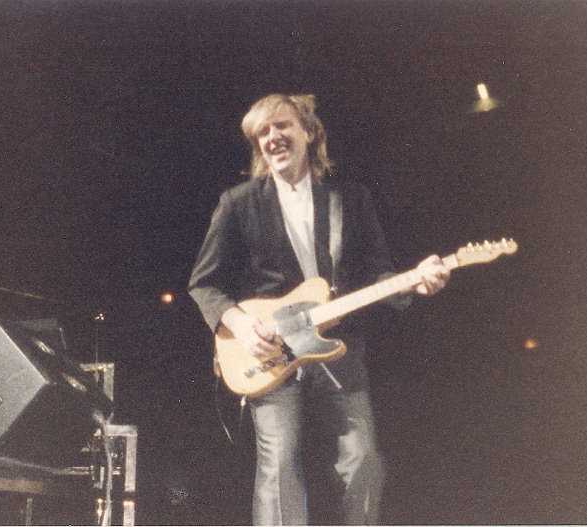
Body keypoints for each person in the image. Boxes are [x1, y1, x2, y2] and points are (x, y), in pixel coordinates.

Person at [188, 93, 449, 525]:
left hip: (337, 346)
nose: (272, 137)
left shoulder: (349, 198)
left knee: (364, 460)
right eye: (263, 132)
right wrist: (243, 323)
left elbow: (379, 273)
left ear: (309, 132)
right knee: (278, 465)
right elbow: (204, 283)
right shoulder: (239, 203)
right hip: (268, 350)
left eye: (282, 126)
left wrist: (415, 282)